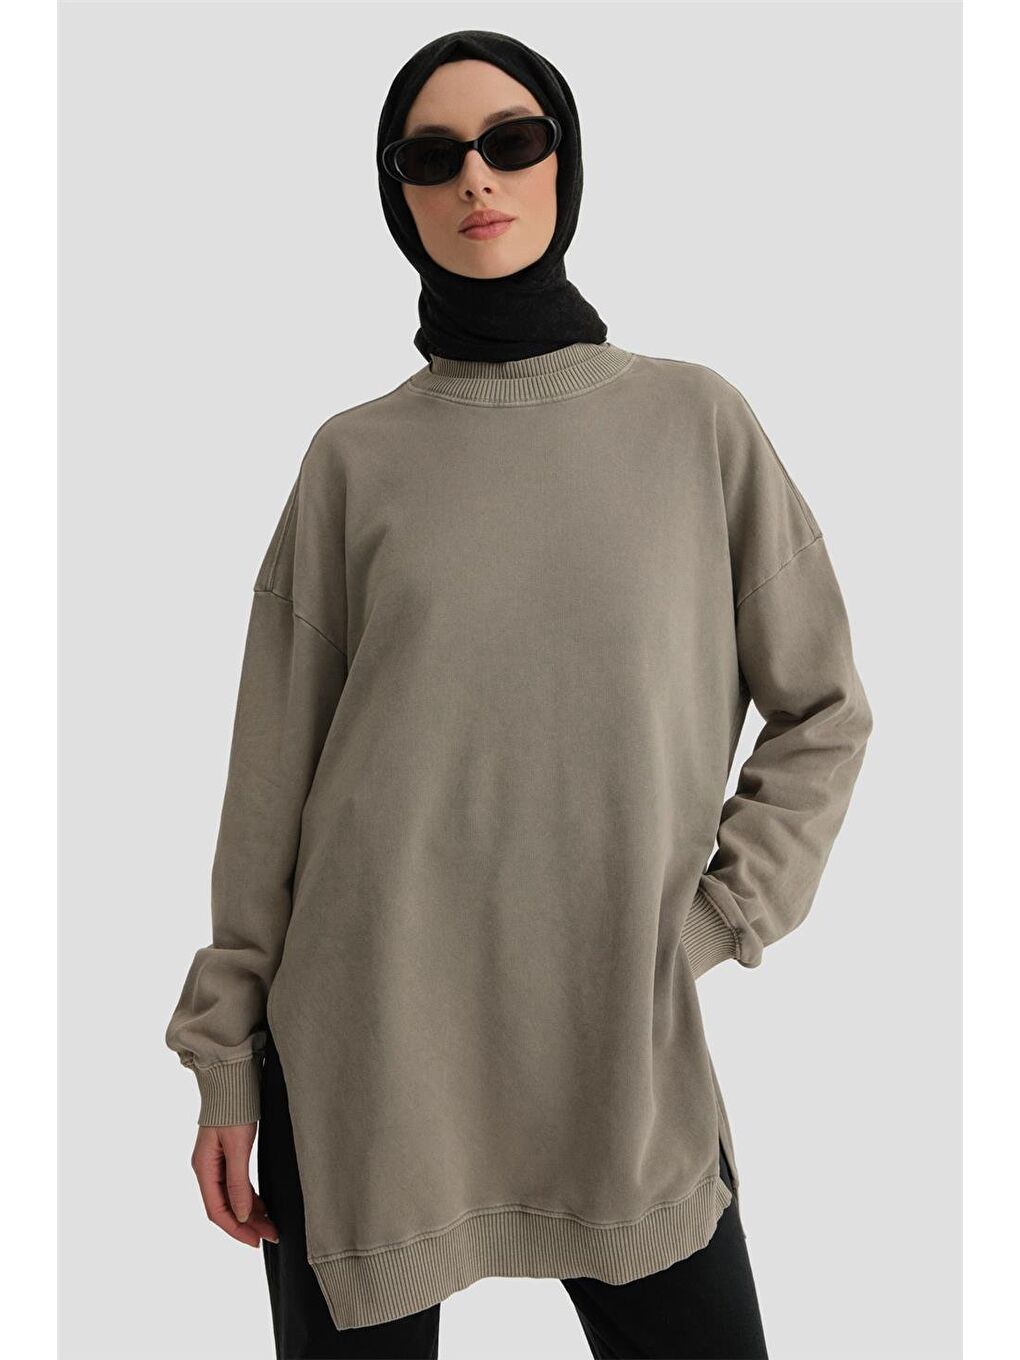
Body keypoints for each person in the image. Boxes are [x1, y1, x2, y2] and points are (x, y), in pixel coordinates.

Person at [165, 28, 873, 1360]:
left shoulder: (695, 424)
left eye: (513, 140)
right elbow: (269, 790)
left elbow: (824, 709)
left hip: (616, 1048)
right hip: (369, 1051)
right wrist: (225, 1060)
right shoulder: (353, 460)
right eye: (432, 157)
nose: (476, 179)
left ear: (565, 162)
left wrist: (718, 918)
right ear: (399, 196)